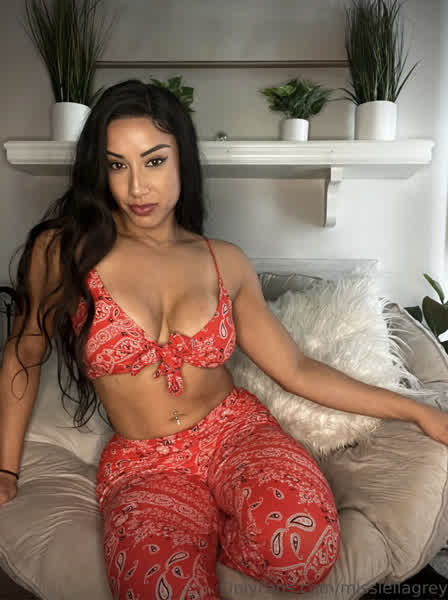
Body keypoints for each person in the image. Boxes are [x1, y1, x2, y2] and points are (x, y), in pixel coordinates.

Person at [0, 79, 447, 600]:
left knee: (303, 552)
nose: (137, 187)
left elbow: (296, 369)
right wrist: (5, 468)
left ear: (183, 161)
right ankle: (203, 532)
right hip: (144, 462)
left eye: (154, 161)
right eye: (117, 165)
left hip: (236, 435)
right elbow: (23, 355)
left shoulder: (224, 261)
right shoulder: (62, 251)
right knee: (159, 588)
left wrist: (416, 410)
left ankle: (222, 529)